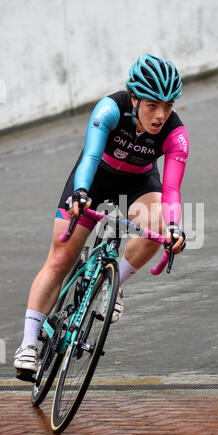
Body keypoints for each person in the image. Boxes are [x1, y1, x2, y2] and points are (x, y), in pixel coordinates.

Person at [14, 54, 189, 380]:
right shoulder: (110, 109)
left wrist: (175, 226)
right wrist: (81, 192)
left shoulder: (176, 135)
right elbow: (91, 155)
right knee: (59, 259)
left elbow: (172, 192)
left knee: (157, 226)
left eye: (168, 105)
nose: (161, 115)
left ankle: (113, 284)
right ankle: (27, 344)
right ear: (134, 97)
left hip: (139, 181)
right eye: (152, 105)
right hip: (95, 176)